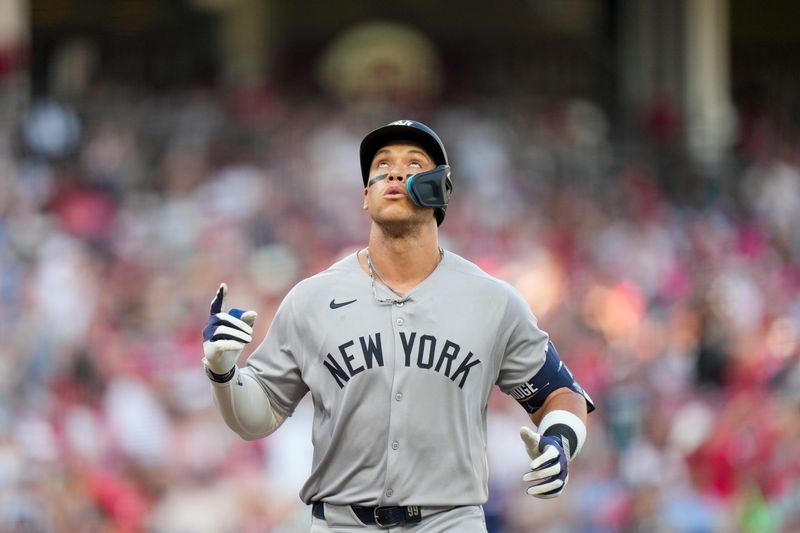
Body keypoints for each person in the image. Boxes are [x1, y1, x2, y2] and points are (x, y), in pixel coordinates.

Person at [202, 119, 595, 532]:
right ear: (365, 196)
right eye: (382, 165)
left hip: (449, 521)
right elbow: (258, 415)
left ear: (440, 188)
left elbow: (560, 394)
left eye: (414, 162)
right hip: (340, 523)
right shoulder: (311, 298)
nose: (394, 171)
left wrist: (559, 443)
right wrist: (224, 373)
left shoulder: (493, 300)